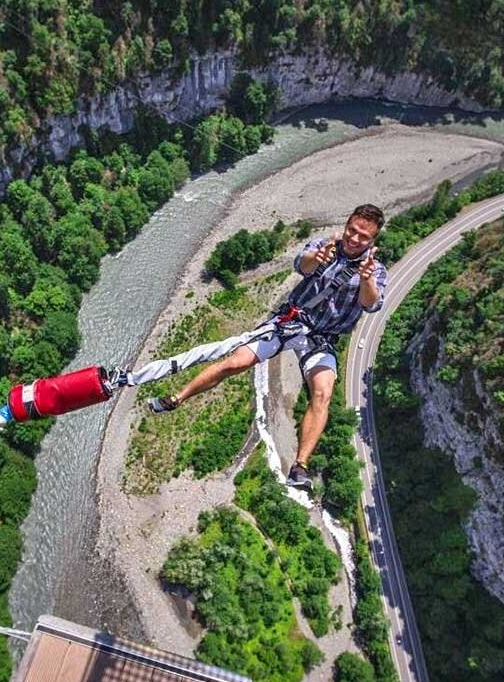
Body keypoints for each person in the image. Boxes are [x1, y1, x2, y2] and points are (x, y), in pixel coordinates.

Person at [135, 203, 388, 494]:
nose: (354, 239)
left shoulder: (376, 271)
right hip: (291, 321)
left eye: (363, 237)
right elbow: (301, 266)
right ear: (346, 225)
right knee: (236, 362)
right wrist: (316, 259)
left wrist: (366, 278)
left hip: (323, 337)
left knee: (323, 393)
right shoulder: (325, 246)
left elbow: (371, 303)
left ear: (373, 240)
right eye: (352, 231)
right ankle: (176, 399)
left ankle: (300, 466)